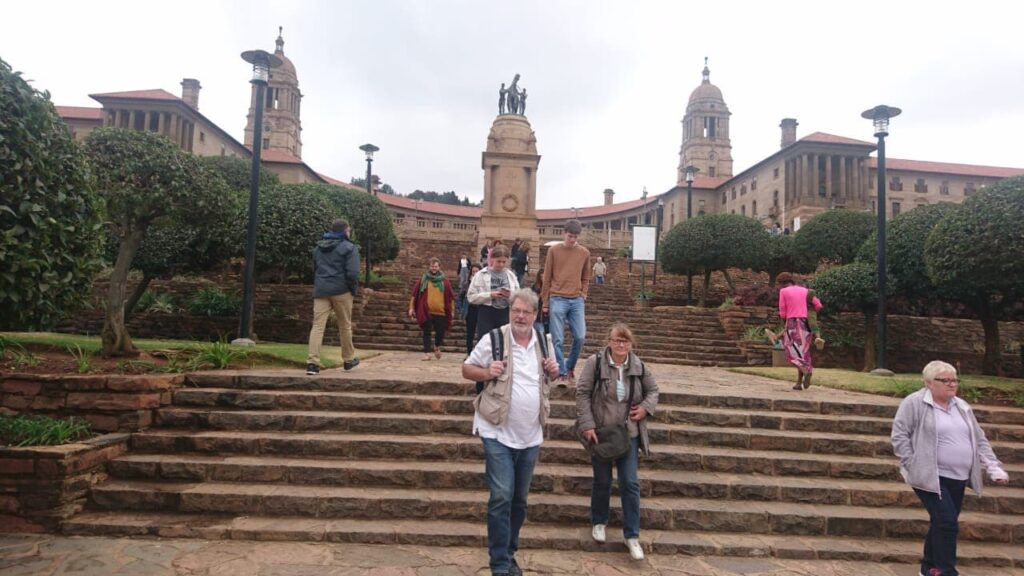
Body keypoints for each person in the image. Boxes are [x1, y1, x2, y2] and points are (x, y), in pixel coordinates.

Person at [462, 289, 559, 576]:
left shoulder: (544, 341)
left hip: (531, 434)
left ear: (535, 314)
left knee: (520, 499)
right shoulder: (493, 339)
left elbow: (551, 377)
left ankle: (508, 551)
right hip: (496, 430)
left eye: (526, 312)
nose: (520, 316)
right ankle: (500, 564)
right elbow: (467, 369)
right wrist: (486, 372)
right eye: (515, 310)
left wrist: (554, 371)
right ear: (510, 311)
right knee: (502, 494)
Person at [891, 360, 1009, 576]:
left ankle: (928, 569)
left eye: (954, 380)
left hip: (959, 477)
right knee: (947, 522)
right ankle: (946, 571)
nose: (952, 384)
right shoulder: (914, 403)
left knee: (942, 522)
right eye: (945, 380)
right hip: (929, 476)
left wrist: (993, 466)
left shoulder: (962, 406)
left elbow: (978, 439)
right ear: (928, 383)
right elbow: (900, 435)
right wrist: (911, 463)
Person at [575, 323, 658, 561]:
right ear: (609, 341)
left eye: (625, 341)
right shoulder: (596, 362)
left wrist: (645, 408)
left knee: (630, 483)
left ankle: (632, 535)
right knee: (601, 480)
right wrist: (587, 424)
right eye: (616, 340)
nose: (621, 345)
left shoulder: (639, 366)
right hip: (601, 433)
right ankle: (599, 521)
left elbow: (654, 391)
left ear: (631, 344)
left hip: (628, 434)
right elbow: (582, 392)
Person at [306, 219, 360, 375]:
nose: (349, 233)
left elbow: (314, 269)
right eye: (348, 230)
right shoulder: (350, 248)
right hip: (342, 290)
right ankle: (348, 360)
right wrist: (351, 289)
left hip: (321, 290)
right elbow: (353, 273)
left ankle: (312, 364)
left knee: (317, 326)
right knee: (345, 326)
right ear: (344, 231)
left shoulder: (318, 248)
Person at [542, 219, 591, 383]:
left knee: (580, 336)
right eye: (570, 236)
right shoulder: (554, 251)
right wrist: (545, 302)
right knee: (557, 339)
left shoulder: (584, 253)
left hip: (576, 299)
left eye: (575, 237)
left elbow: (586, 276)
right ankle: (562, 372)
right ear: (564, 233)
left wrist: (583, 294)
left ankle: (569, 366)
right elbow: (547, 276)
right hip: (557, 297)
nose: (572, 240)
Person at [468, 245, 520, 393]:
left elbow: (519, 295)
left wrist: (510, 295)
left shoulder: (510, 276)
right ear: (492, 260)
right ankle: (480, 385)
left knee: (505, 348)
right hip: (486, 312)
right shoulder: (481, 275)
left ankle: (501, 383)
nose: (501, 265)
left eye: (504, 262)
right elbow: (471, 297)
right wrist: (489, 295)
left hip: (504, 313)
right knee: (484, 347)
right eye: (498, 261)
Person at [776, 272, 822, 390]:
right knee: (803, 353)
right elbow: (818, 305)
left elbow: (783, 311)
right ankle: (799, 382)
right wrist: (809, 311)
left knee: (791, 352)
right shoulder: (805, 291)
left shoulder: (783, 291)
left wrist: (784, 324)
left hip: (792, 323)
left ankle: (807, 370)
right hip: (806, 324)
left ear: (782, 283)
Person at [408, 257, 455, 361]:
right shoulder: (423, 280)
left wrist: (452, 310)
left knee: (440, 332)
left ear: (439, 267)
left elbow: (451, 297)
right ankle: (427, 353)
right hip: (426, 311)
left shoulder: (445, 281)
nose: (434, 268)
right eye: (432, 266)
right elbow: (414, 295)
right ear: (429, 267)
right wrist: (411, 308)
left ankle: (437, 346)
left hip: (441, 312)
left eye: (436, 266)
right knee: (426, 332)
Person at [464, 263, 482, 354]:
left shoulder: (484, 283)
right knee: (470, 333)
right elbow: (462, 296)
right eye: (473, 271)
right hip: (471, 309)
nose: (475, 273)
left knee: (481, 332)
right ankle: (469, 353)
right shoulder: (468, 283)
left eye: (477, 271)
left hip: (481, 309)